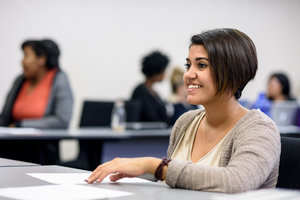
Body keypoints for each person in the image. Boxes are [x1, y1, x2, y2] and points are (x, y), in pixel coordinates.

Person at [86, 28, 280, 193]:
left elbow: (236, 182)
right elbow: (172, 181)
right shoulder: (185, 122)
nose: (188, 74)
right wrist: (142, 171)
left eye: (201, 65)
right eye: (189, 65)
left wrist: (153, 166)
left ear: (234, 74)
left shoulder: (259, 129)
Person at [0, 39, 73, 164]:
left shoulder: (59, 79)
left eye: (26, 55)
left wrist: (21, 125)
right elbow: (5, 117)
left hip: (41, 148)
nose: (22, 61)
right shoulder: (20, 80)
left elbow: (61, 120)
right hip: (10, 143)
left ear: (41, 59)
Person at [131, 50, 170, 123]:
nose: (165, 74)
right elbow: (151, 118)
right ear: (156, 72)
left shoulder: (153, 92)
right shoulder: (141, 92)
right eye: (163, 71)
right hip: (148, 133)